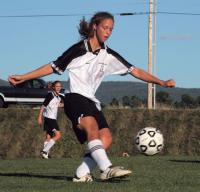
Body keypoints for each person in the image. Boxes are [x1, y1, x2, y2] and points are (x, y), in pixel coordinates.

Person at [8, 11, 175, 182]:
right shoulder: (78, 49)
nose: (108, 32)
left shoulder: (109, 55)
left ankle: (81, 174)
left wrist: (160, 82)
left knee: (106, 138)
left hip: (91, 101)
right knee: (92, 128)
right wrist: (24, 76)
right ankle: (106, 169)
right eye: (105, 28)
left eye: (111, 29)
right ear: (95, 27)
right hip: (74, 98)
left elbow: (135, 71)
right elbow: (52, 66)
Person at [38, 80, 64, 159]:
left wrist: (67, 104)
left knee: (49, 137)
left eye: (59, 86)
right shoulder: (50, 95)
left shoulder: (59, 97)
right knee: (58, 135)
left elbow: (58, 105)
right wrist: (39, 117)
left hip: (50, 118)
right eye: (57, 86)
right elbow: (43, 106)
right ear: (53, 87)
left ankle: (45, 155)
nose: (58, 88)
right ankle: (45, 150)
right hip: (50, 118)